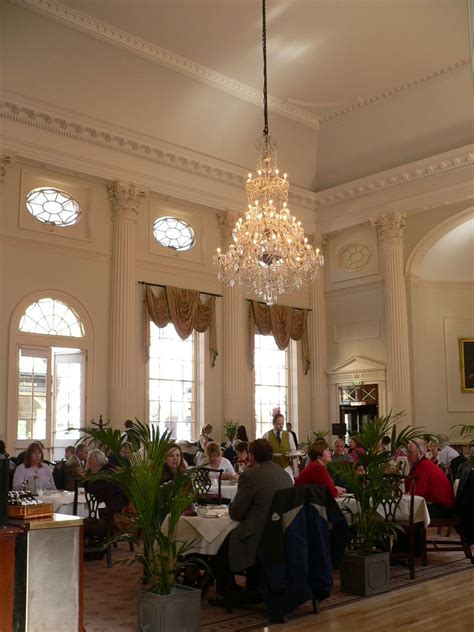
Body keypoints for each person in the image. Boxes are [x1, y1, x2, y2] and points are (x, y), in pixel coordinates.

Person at [210, 439, 293, 607]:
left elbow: (236, 512)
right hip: (281, 534)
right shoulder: (284, 474)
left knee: (218, 546)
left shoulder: (251, 475)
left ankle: (228, 592)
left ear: (252, 456)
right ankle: (253, 587)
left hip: (257, 537)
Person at [405, 440, 455, 518]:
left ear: (420, 454)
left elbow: (416, 492)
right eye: (407, 452)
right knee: (408, 509)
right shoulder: (418, 465)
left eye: (410, 452)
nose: (407, 455)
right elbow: (408, 484)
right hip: (434, 503)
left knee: (409, 512)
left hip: (443, 507)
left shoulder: (424, 466)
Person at [262, 413, 298, 479]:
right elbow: (262, 452)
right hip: (272, 468)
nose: (281, 426)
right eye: (279, 424)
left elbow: (293, 450)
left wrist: (295, 470)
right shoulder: (267, 435)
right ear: (274, 423)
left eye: (282, 423)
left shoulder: (289, 435)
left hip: (286, 467)